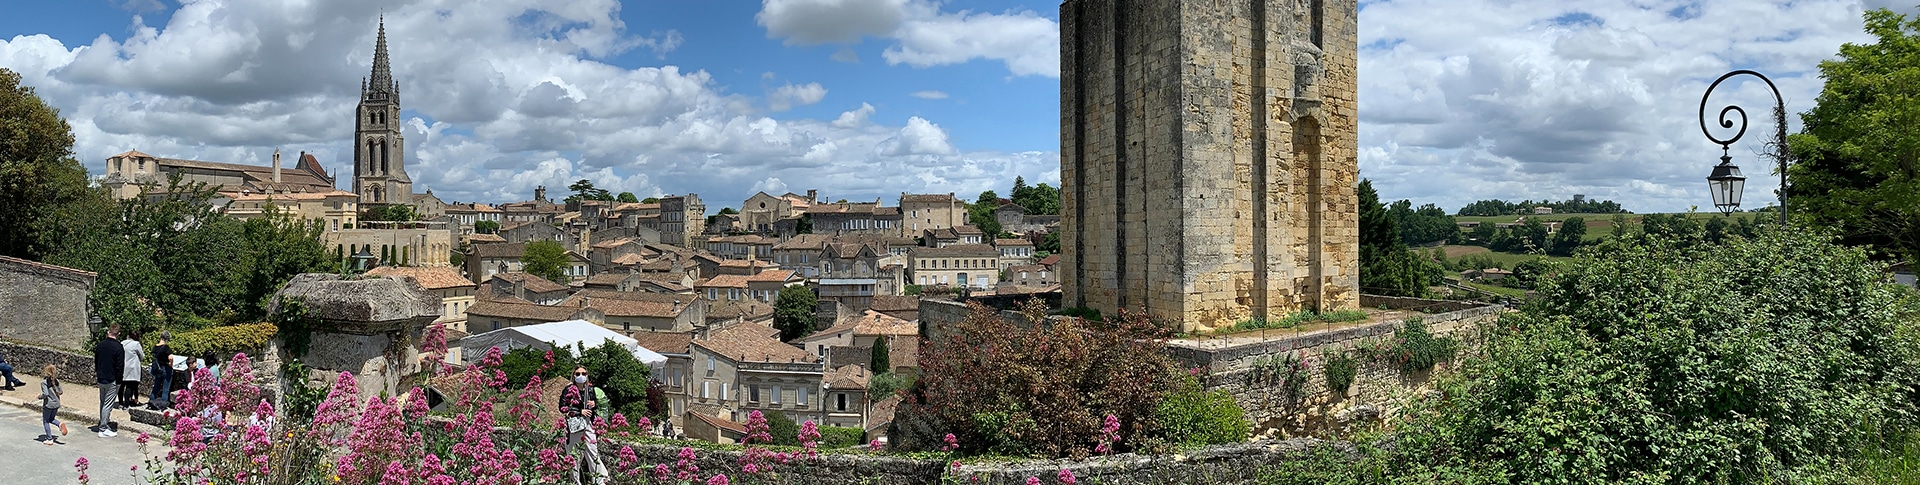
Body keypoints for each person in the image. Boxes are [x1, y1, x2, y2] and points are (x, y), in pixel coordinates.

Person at [557, 366, 609, 485]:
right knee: (574, 455)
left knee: (593, 452)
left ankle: (599, 481)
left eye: (583, 373)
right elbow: (562, 407)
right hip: (575, 425)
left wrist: (593, 403)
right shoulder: (569, 389)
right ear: (574, 375)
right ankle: (575, 482)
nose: (581, 376)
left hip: (589, 423)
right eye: (578, 373)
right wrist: (579, 411)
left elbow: (595, 404)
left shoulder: (590, 389)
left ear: (587, 375)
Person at [91, 326, 124, 437]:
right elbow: (120, 366)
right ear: (118, 334)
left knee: (103, 401)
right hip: (111, 378)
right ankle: (103, 428)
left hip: (101, 377)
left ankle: (103, 423)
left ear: (108, 332)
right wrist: (119, 381)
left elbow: (96, 361)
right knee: (108, 404)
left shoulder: (100, 345)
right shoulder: (118, 347)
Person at [35, 364, 67, 445]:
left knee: (46, 421)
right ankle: (59, 424)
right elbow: (61, 392)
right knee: (51, 418)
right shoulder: (56, 381)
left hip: (48, 404)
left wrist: (39, 397)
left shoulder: (44, 383)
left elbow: (45, 394)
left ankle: (49, 439)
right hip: (56, 403)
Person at [147, 332, 173, 410]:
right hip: (165, 368)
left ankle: (151, 402)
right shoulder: (166, 347)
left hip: (158, 369)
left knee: (156, 387)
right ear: (167, 339)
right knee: (165, 388)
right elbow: (171, 357)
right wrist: (170, 364)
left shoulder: (155, 347)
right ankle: (162, 405)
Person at [120, 331, 145, 407]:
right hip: (132, 367)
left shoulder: (122, 343)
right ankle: (127, 405)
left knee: (122, 386)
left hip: (123, 366)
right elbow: (142, 356)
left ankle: (121, 403)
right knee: (129, 386)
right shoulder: (136, 344)